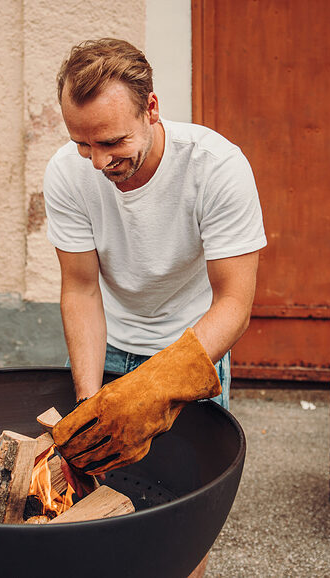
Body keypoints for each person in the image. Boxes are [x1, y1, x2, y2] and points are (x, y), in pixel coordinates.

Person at [44, 38, 267, 410]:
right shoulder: (66, 172)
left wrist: (150, 389)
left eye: (112, 141)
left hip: (193, 346)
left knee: (193, 469)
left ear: (151, 109)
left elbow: (233, 304)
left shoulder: (217, 167)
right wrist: (87, 401)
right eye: (83, 143)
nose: (98, 162)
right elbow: (81, 290)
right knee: (87, 459)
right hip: (106, 346)